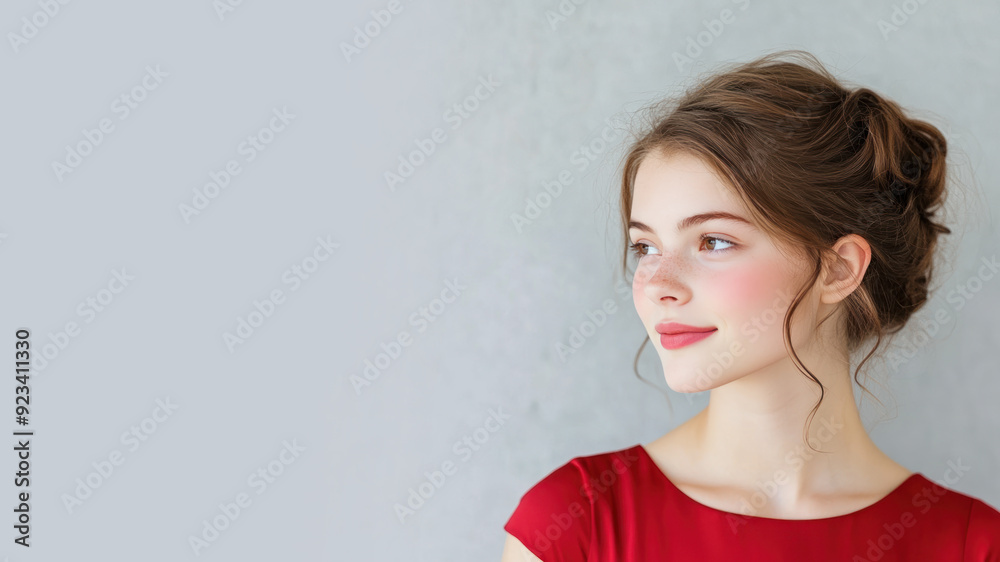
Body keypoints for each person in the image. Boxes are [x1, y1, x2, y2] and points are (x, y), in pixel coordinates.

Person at [500, 50, 1000, 561]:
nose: (656, 285)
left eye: (713, 241)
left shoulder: (971, 545)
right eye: (645, 248)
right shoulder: (573, 525)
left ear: (839, 268)